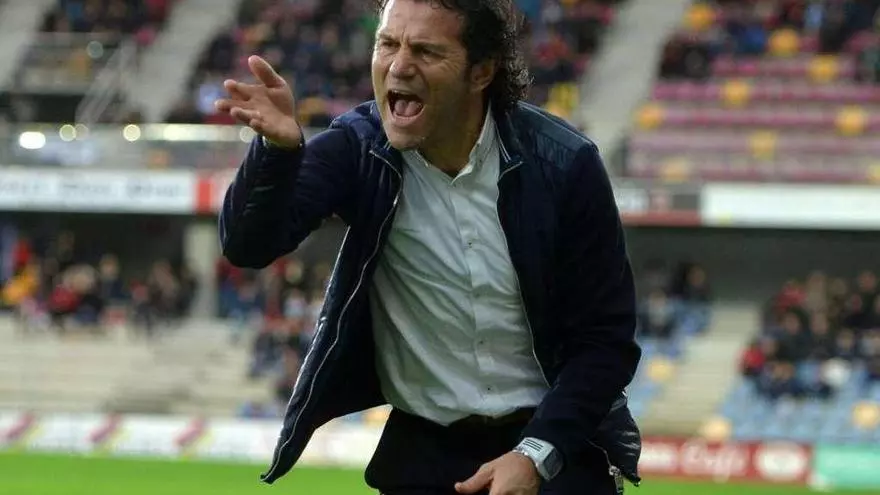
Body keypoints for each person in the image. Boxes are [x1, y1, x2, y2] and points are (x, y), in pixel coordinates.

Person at [214, 0, 641, 493]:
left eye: (425, 51)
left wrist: (535, 454)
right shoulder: (358, 149)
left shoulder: (564, 163)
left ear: (481, 72)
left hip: (555, 447)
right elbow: (247, 247)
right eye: (387, 44)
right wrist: (277, 152)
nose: (398, 66)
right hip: (422, 455)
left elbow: (606, 340)